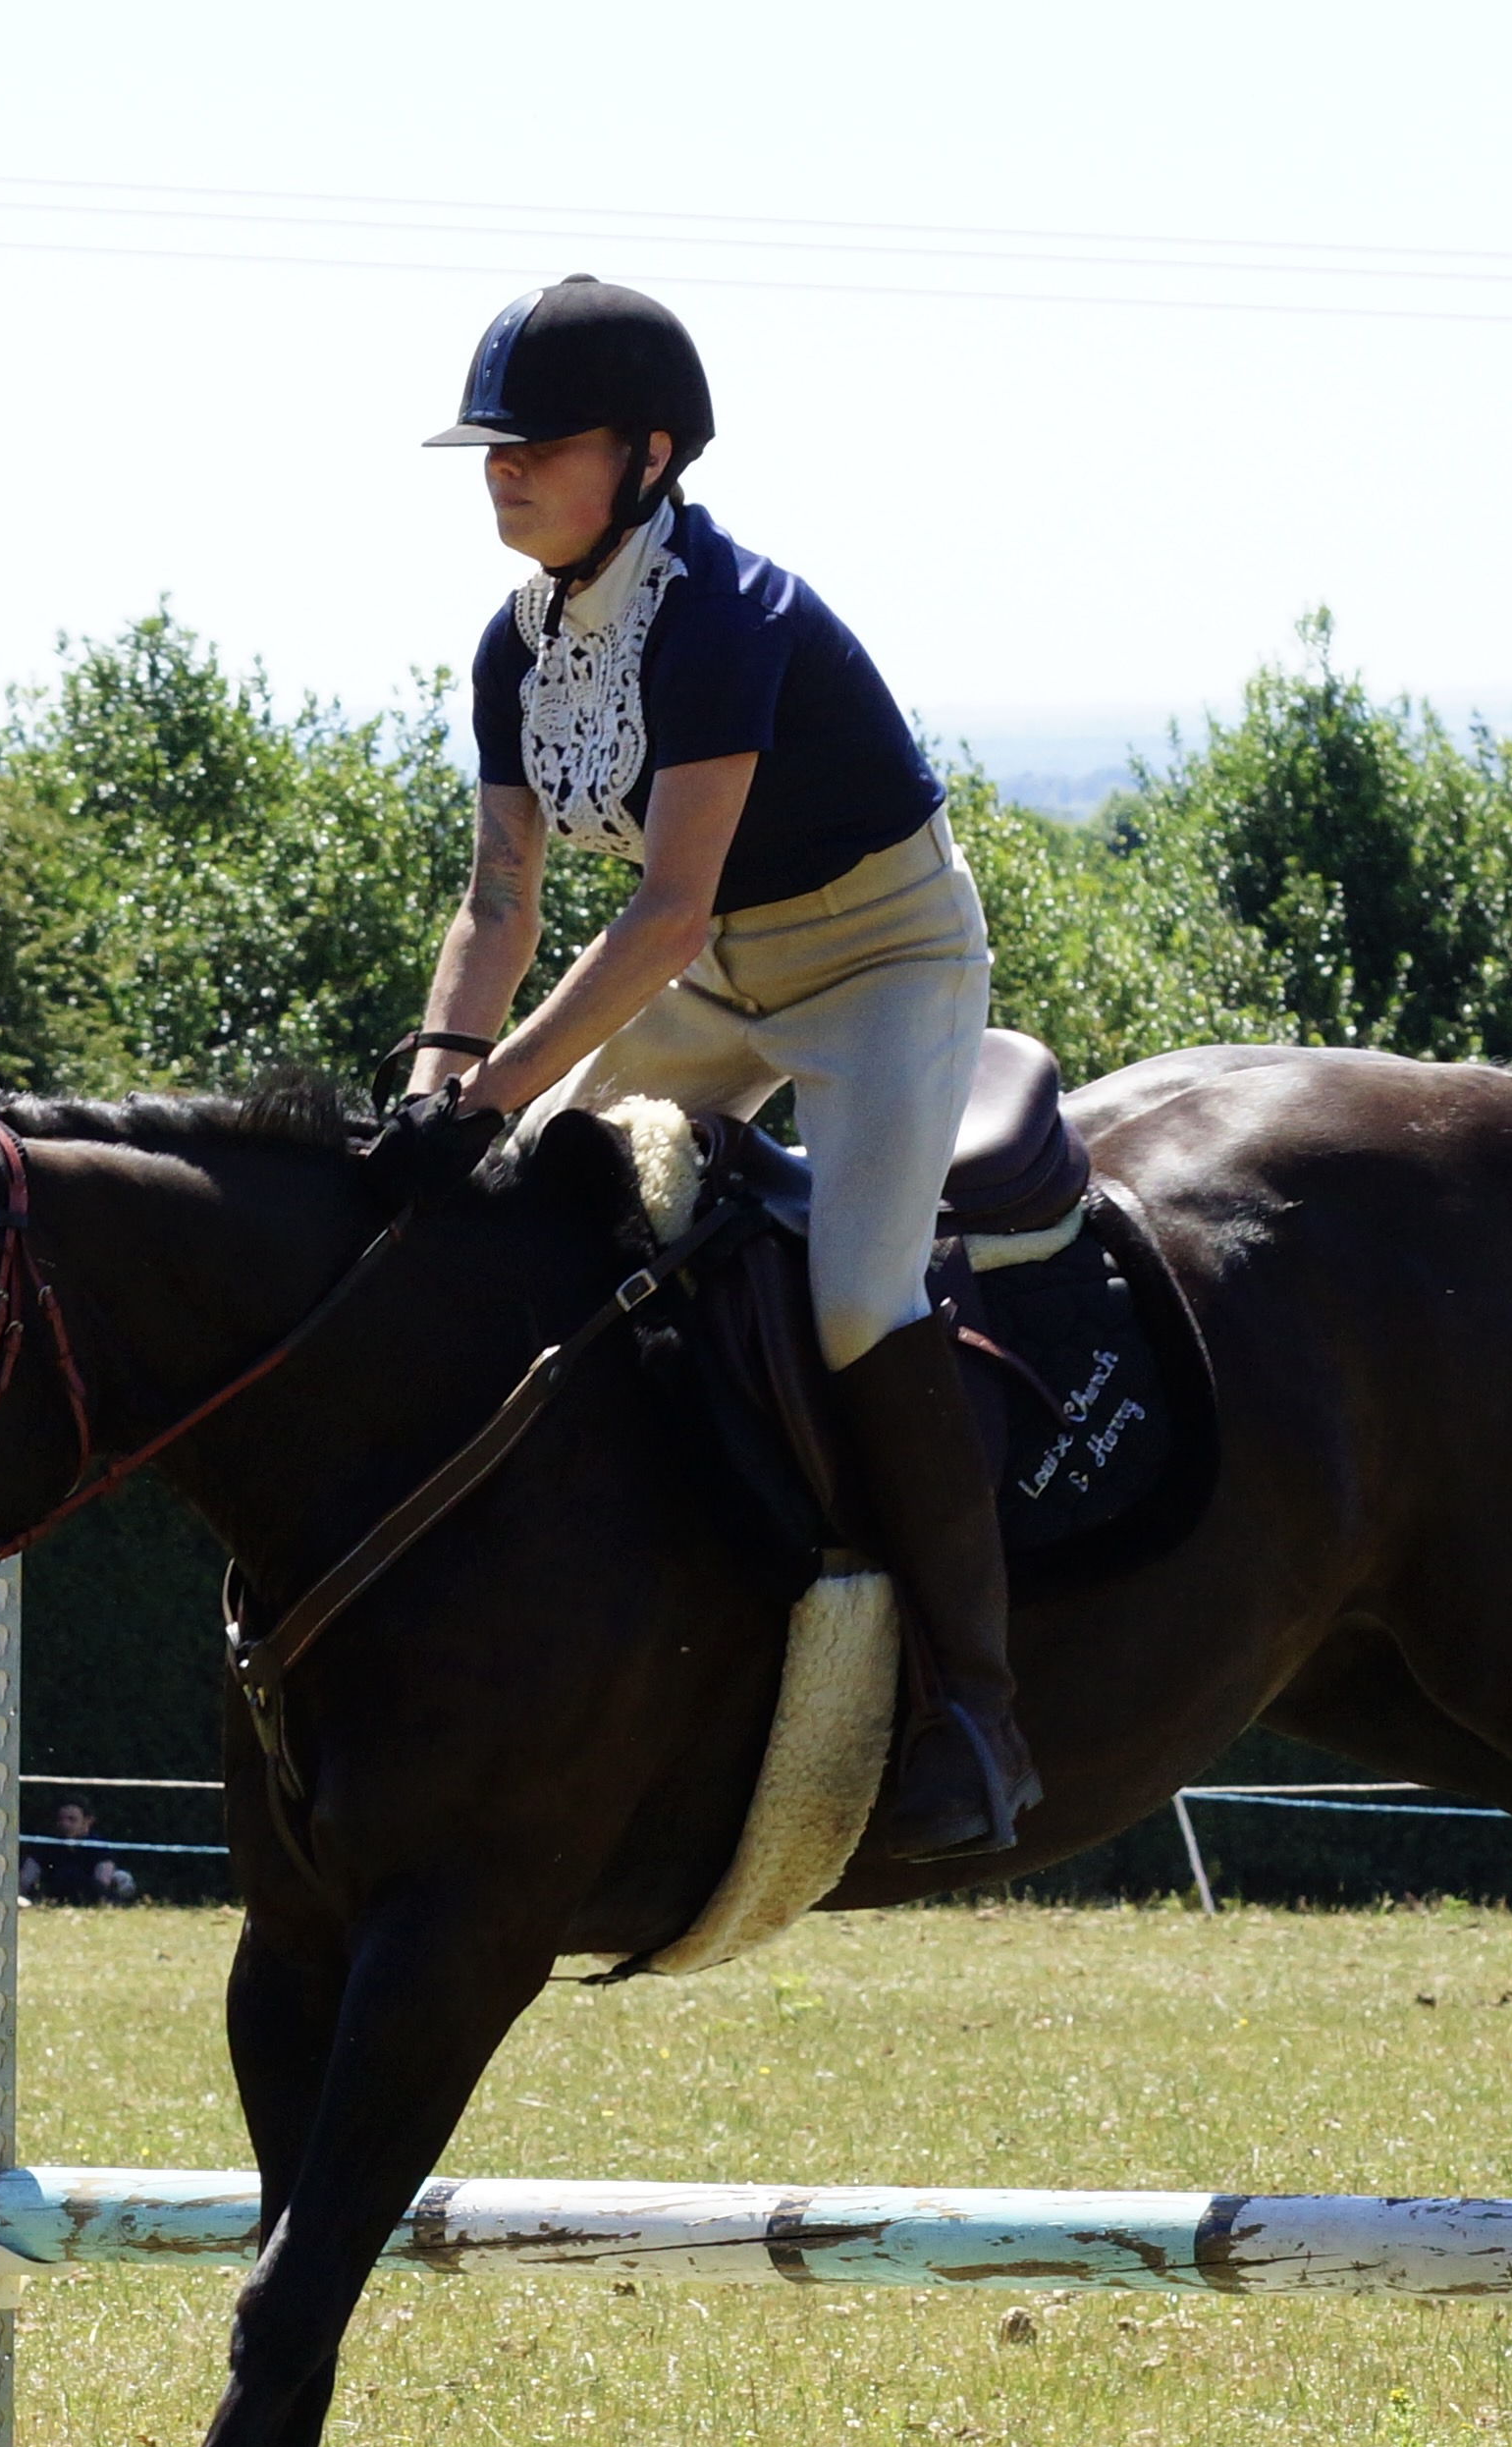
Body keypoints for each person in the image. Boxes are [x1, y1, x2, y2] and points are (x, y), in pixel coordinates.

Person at [388, 275, 1033, 1861]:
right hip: (720, 972)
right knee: (520, 1203)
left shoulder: (728, 619)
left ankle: (981, 1712)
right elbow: (500, 898)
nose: (504, 471)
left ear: (651, 454)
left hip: (882, 965)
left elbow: (661, 907)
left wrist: (494, 1088)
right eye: (490, 448)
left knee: (857, 1297)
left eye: (538, 445)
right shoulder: (514, 644)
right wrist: (435, 1076)